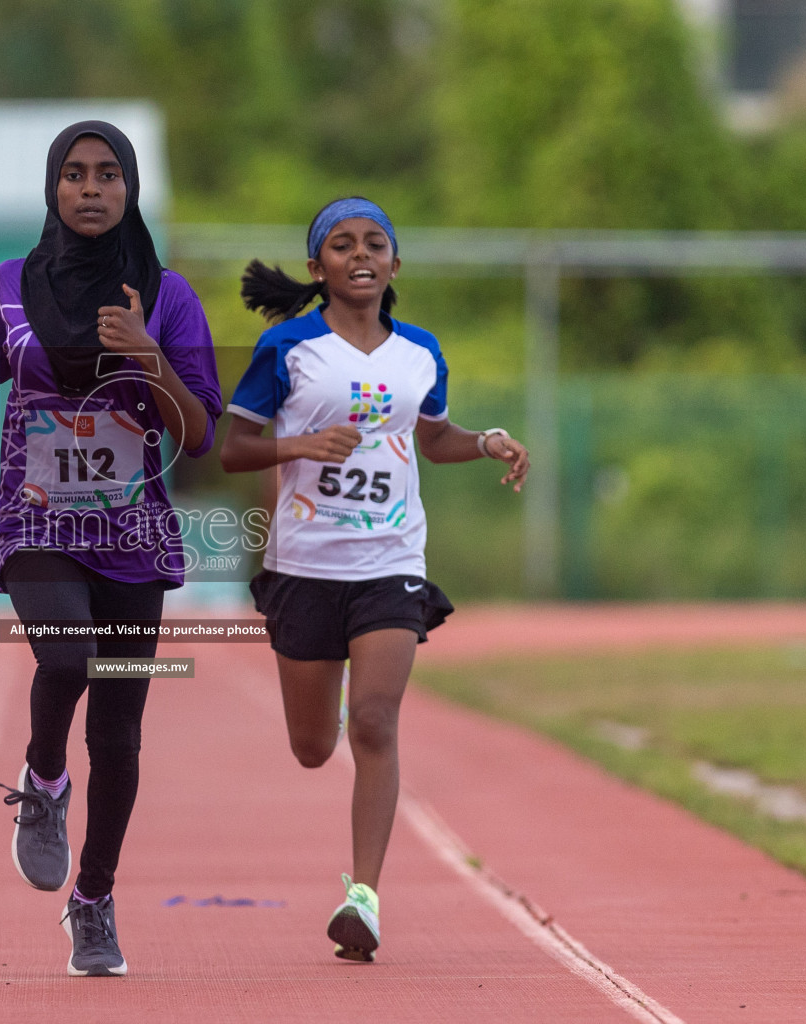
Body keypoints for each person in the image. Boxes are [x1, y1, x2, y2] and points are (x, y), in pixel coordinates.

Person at [0, 121, 221, 977]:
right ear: (52, 190)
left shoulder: (166, 296)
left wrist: (147, 357)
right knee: (64, 659)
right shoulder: (8, 286)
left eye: (108, 174)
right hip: (36, 519)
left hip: (133, 532)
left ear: (130, 189)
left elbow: (200, 432)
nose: (91, 189)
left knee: (120, 735)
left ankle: (94, 901)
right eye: (74, 175)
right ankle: (41, 784)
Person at [218, 197, 529, 963]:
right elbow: (232, 449)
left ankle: (362, 897)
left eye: (374, 243)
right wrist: (301, 444)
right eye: (342, 244)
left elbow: (432, 439)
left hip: (391, 561)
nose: (360, 254)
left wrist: (485, 440)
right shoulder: (287, 348)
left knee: (376, 722)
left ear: (394, 264)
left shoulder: (420, 353)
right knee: (312, 747)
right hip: (305, 567)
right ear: (317, 267)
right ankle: (335, 718)